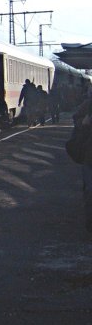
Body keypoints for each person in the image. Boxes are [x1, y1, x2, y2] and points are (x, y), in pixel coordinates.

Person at [69, 93, 92, 234]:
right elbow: (77, 118)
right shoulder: (89, 104)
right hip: (90, 156)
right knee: (90, 191)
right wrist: (85, 123)